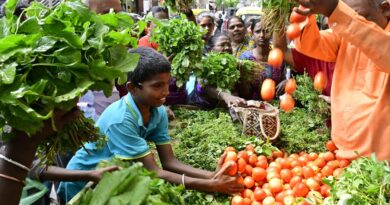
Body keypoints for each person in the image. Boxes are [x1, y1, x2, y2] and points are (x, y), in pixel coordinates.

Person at [58, 47, 244, 202]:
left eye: (167, 84)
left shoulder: (158, 111)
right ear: (132, 87)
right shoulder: (121, 119)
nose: (165, 92)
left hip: (111, 178)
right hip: (82, 182)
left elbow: (169, 162)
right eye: (157, 86)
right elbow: (153, 171)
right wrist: (210, 185)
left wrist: (212, 175)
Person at [292, 0, 390, 161]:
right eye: (347, 15)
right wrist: (306, 14)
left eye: (360, 17)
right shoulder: (344, 36)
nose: (351, 22)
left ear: (385, 9)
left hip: (382, 164)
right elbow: (309, 44)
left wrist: (337, 12)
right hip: (344, 155)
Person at [272, 27, 335, 98]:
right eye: (327, 27)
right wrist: (278, 18)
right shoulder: (314, 55)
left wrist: (335, 103)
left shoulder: (348, 59)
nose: (330, 31)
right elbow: (281, 50)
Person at [188, 34, 247, 108]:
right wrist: (226, 96)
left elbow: (242, 92)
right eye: (222, 45)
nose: (227, 48)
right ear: (211, 49)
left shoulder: (233, 66)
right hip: (200, 106)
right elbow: (205, 86)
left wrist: (242, 76)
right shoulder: (203, 64)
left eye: (229, 45)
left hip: (222, 108)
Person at [239, 19, 287, 100]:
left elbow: (282, 82)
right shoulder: (245, 58)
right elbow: (242, 92)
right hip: (251, 106)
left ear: (271, 33)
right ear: (252, 34)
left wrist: (286, 83)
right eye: (257, 32)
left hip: (274, 107)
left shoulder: (278, 56)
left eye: (266, 31)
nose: (262, 35)